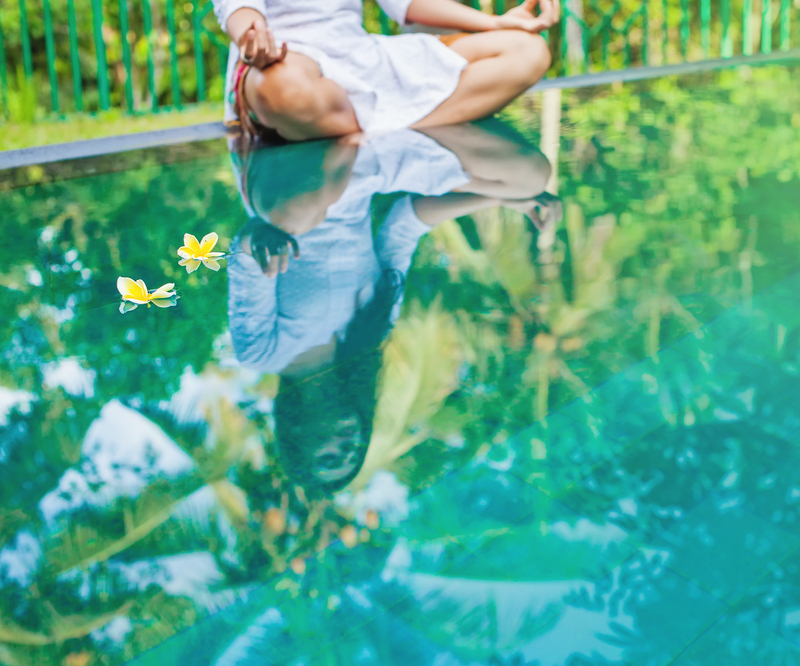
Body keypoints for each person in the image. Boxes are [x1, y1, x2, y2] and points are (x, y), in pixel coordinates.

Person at [227, 122, 560, 497]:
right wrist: (504, 200)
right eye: (353, 451)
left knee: (299, 216)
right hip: (362, 175)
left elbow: (243, 255)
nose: (345, 444)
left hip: (285, 183)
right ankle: (371, 126)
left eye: (329, 455)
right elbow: (403, 224)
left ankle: (362, 128)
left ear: (296, 437)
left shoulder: (262, 353)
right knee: (532, 176)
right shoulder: (369, 336)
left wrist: (262, 242)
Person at [213, 0, 560, 141]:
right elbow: (240, 9)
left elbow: (405, 3)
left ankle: (368, 132)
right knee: (285, 89)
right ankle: (385, 125)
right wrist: (253, 38)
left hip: (360, 57)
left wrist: (495, 22)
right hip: (285, 61)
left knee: (527, 50)